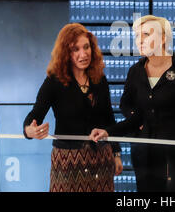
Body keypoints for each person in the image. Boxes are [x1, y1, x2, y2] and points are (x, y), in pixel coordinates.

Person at [90, 15, 175, 192]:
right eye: (137, 35)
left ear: (163, 38)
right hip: (144, 154)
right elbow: (129, 109)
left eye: (146, 34)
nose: (139, 40)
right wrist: (110, 131)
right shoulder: (135, 71)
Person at [23, 23, 122, 192]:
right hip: (67, 163)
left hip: (101, 161)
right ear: (66, 53)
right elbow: (35, 113)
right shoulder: (54, 81)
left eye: (86, 47)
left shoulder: (100, 79)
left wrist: (116, 154)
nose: (83, 54)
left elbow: (108, 118)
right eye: (75, 49)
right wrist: (29, 130)